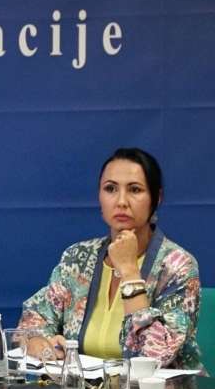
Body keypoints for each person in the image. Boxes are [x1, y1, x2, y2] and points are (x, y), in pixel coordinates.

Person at [19, 148, 201, 370]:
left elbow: (153, 356)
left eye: (135, 190)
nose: (121, 201)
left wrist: (129, 271)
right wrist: (41, 343)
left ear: (156, 198)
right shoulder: (77, 258)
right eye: (110, 189)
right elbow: (32, 321)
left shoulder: (178, 266)